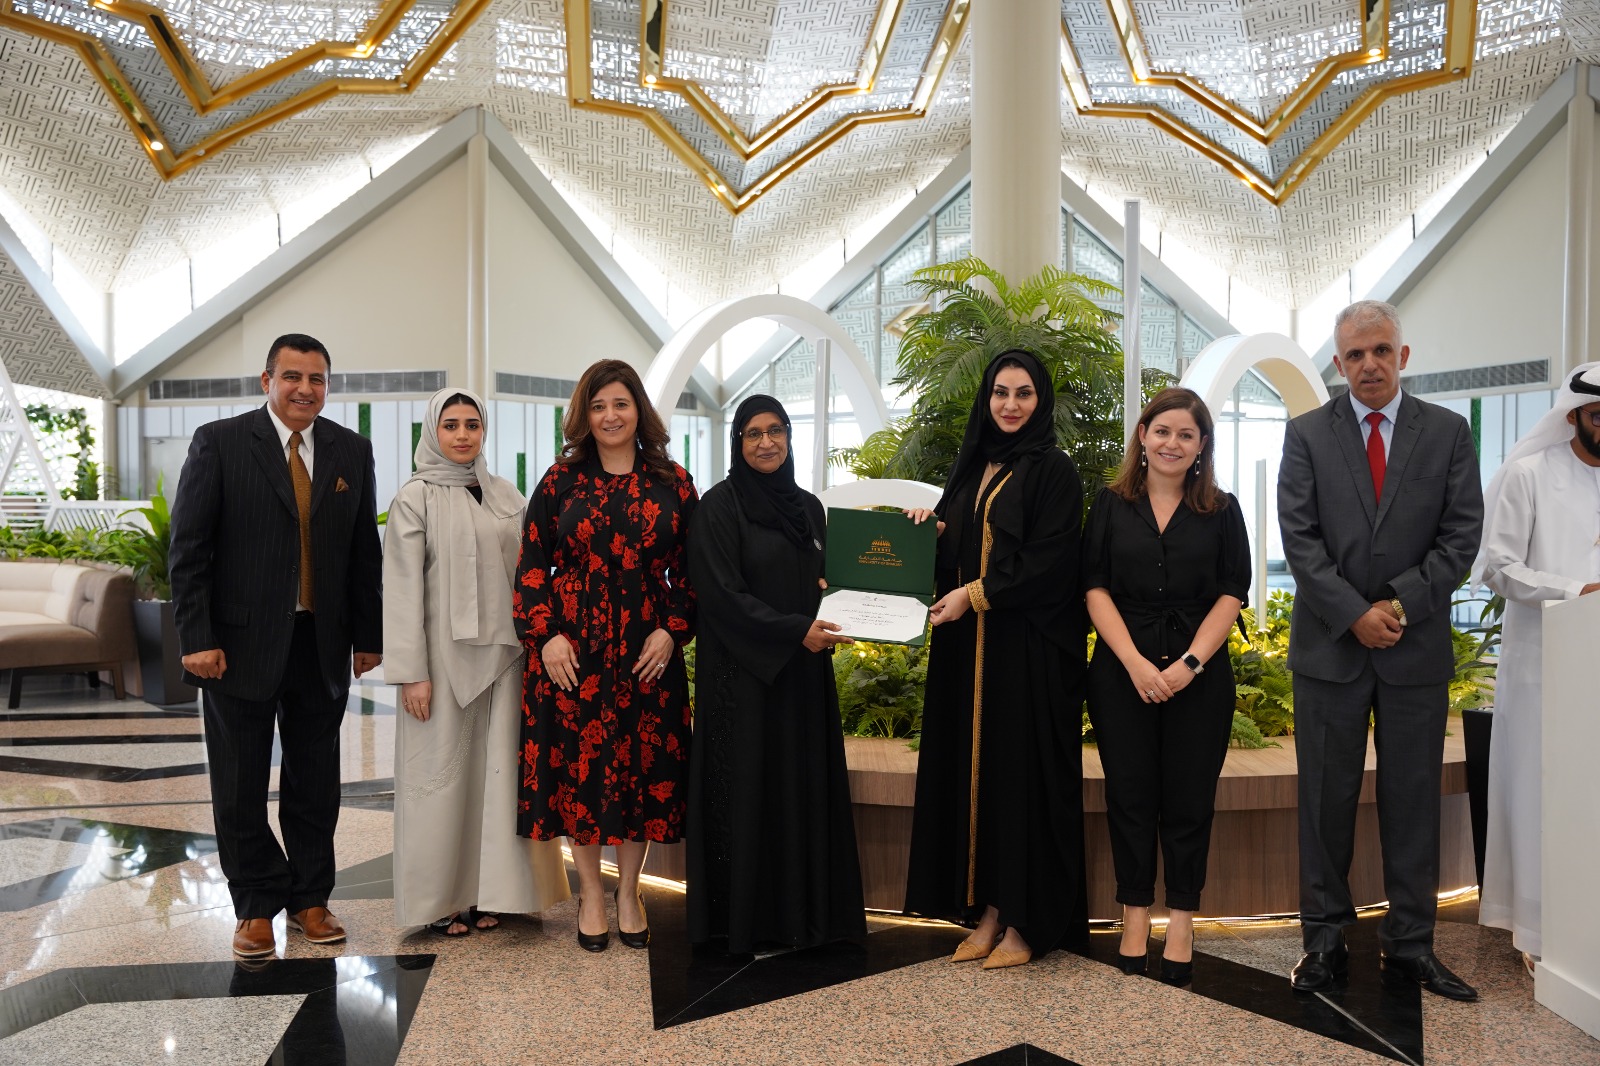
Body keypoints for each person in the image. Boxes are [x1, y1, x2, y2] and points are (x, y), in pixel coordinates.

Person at [1277, 300, 1483, 1001]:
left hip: (1412, 648)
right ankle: (1323, 942)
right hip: (1329, 650)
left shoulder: (1447, 432)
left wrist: (1395, 606)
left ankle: (1412, 945)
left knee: (1413, 801)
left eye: (1381, 350)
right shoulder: (1307, 434)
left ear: (1403, 355)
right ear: (1338, 364)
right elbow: (1299, 538)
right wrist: (1353, 614)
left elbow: (1461, 534)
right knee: (1324, 802)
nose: (1369, 364)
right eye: (1355, 354)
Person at [169, 333, 383, 959]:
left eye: (317, 379)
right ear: (267, 381)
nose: (304, 389)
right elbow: (189, 548)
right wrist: (197, 637)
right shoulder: (220, 442)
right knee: (239, 782)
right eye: (292, 376)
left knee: (316, 780)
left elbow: (362, 552)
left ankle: (311, 898)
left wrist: (368, 636)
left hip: (321, 641)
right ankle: (256, 904)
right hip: (236, 647)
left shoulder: (351, 449)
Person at [902, 348, 1089, 970]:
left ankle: (1025, 924)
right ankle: (987, 912)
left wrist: (974, 595)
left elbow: (1050, 562)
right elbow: (957, 551)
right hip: (968, 652)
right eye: (1001, 393)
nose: (1010, 405)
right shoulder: (972, 466)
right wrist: (928, 534)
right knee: (979, 781)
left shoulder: (1054, 471)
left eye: (1024, 393)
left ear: (1041, 401)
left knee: (1019, 783)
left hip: (1027, 655)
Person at [514, 359, 697, 953]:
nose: (610, 416)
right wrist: (546, 636)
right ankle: (592, 892)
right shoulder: (559, 482)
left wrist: (672, 631)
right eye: (598, 407)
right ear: (583, 417)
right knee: (581, 773)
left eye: (620, 403)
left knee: (642, 770)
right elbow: (531, 567)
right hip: (575, 653)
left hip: (648, 652)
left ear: (639, 409)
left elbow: (694, 573)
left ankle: (630, 891)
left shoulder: (673, 481)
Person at [384, 388, 571, 937]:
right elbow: (401, 591)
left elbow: (533, 572)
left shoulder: (506, 495)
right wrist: (412, 674)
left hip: (509, 661)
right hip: (440, 665)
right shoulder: (414, 498)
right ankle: (442, 899)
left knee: (501, 780)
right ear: (432, 431)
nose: (463, 435)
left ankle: (498, 893)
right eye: (451, 425)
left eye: (472, 424)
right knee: (441, 780)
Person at [685, 395, 866, 953]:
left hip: (802, 679)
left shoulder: (808, 508)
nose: (766, 443)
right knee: (749, 793)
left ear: (789, 436)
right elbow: (721, 595)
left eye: (776, 431)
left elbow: (829, 578)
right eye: (753, 433)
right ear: (737, 442)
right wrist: (794, 631)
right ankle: (747, 924)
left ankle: (804, 919)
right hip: (742, 680)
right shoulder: (718, 508)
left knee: (798, 790)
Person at [1083, 387, 1250, 987]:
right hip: (1121, 672)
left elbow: (1232, 591)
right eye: (1162, 431)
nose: (1172, 443)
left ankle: (1181, 920)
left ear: (1202, 445)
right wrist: (1133, 663)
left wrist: (1189, 665)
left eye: (1185, 434)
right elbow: (1094, 587)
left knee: (1188, 800)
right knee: (1129, 798)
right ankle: (1134, 916)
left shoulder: (1222, 509)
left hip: (1198, 678)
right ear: (1142, 436)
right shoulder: (1110, 504)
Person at [1476, 363, 1600, 973]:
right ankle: (1538, 927)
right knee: (1539, 790)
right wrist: (1578, 591)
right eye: (1599, 415)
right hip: (1543, 668)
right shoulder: (1528, 475)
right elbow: (1497, 567)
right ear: (1572, 416)